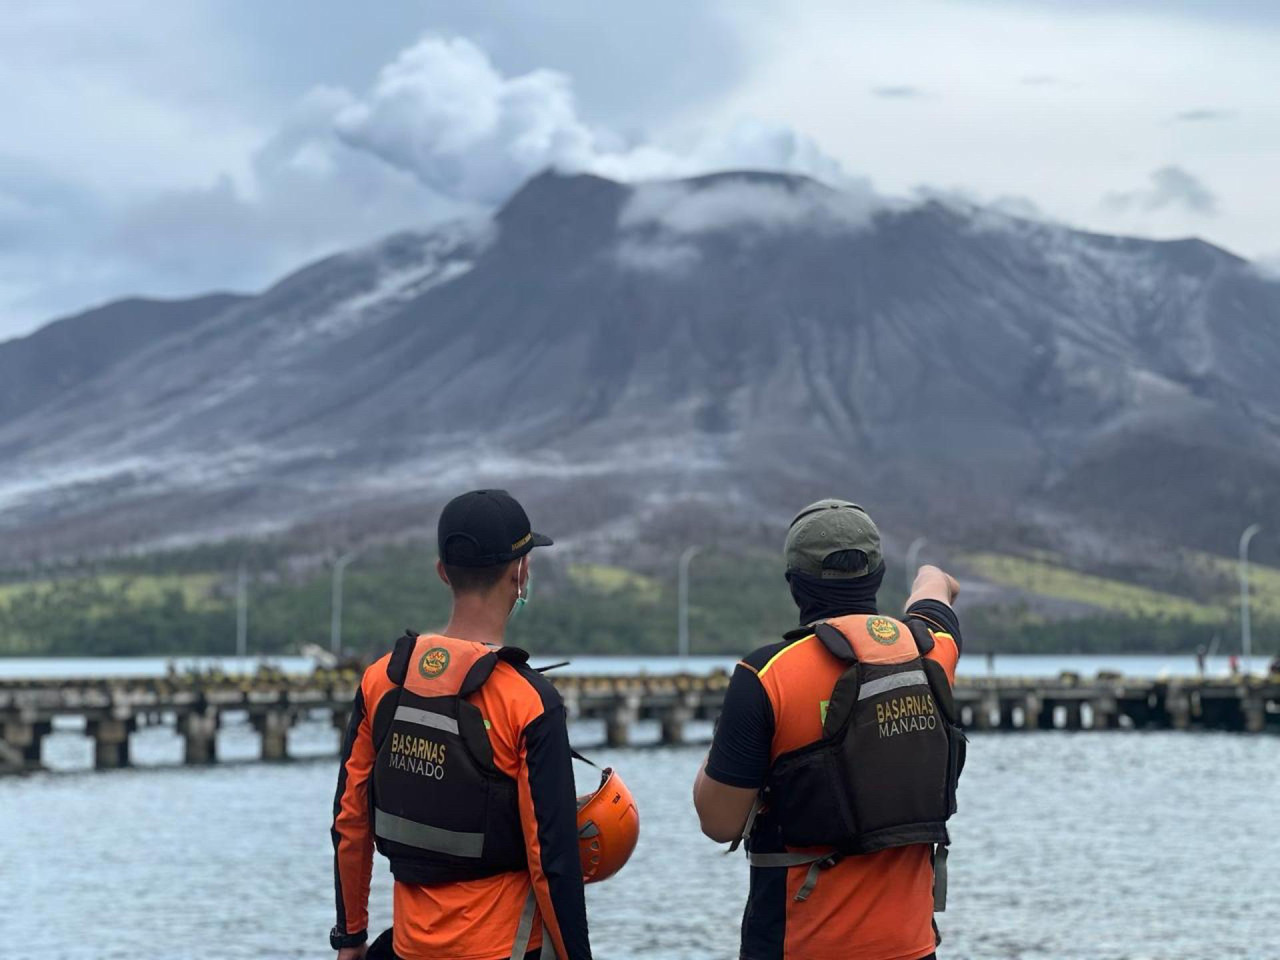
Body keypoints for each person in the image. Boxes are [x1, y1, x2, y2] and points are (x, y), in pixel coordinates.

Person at [693, 499, 964, 960]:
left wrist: (723, 750)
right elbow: (939, 584)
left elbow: (718, 823)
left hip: (798, 945)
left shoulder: (766, 675)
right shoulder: (931, 651)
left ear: (795, 586)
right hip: (911, 948)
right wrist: (925, 580)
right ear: (876, 577)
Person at [330, 489, 591, 960]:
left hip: (409, 949)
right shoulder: (528, 700)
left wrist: (350, 938)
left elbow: (351, 822)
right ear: (521, 573)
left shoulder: (381, 680)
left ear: (442, 572)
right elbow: (552, 861)